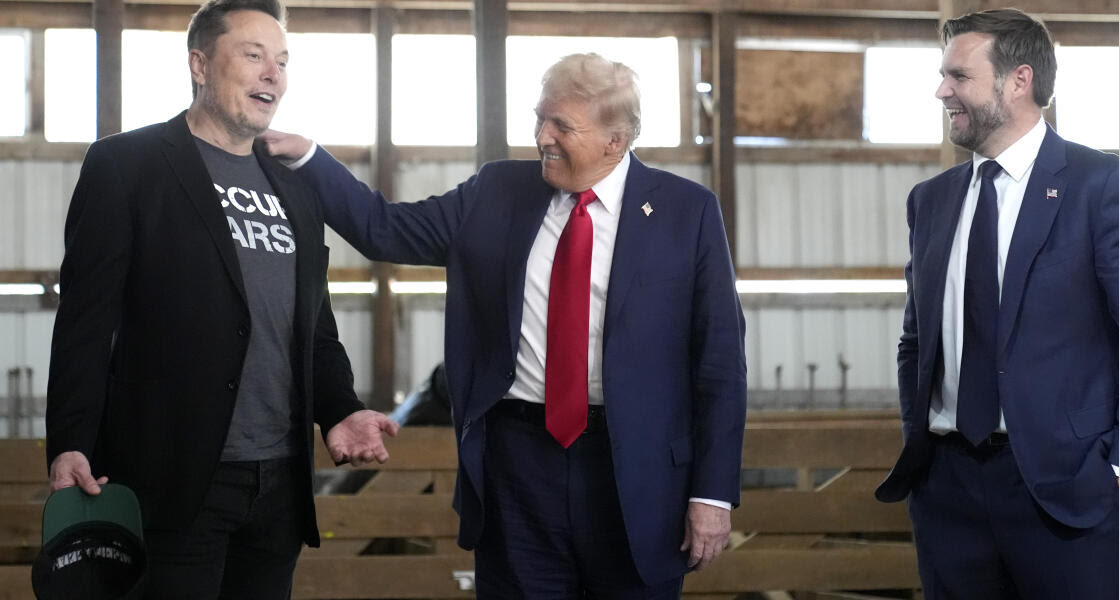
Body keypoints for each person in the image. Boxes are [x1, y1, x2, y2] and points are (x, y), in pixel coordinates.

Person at [262, 52, 747, 598]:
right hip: (518, 466)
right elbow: (384, 230)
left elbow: (720, 365)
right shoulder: (497, 191)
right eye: (540, 118)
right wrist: (309, 158)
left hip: (637, 472)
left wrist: (712, 494)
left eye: (562, 125)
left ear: (617, 140)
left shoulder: (687, 211)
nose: (542, 136)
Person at [44, 1, 398, 597]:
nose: (272, 74)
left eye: (282, 62)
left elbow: (313, 323)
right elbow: (86, 317)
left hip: (279, 481)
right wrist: (69, 442)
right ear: (200, 64)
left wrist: (339, 407)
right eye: (254, 55)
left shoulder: (294, 183)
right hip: (173, 476)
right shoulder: (127, 165)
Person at [875, 8, 1119, 598]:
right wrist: (924, 453)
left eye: (958, 76)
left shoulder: (1104, 187)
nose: (942, 90)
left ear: (1019, 81)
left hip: (1068, 493)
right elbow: (916, 341)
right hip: (947, 494)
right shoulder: (931, 201)